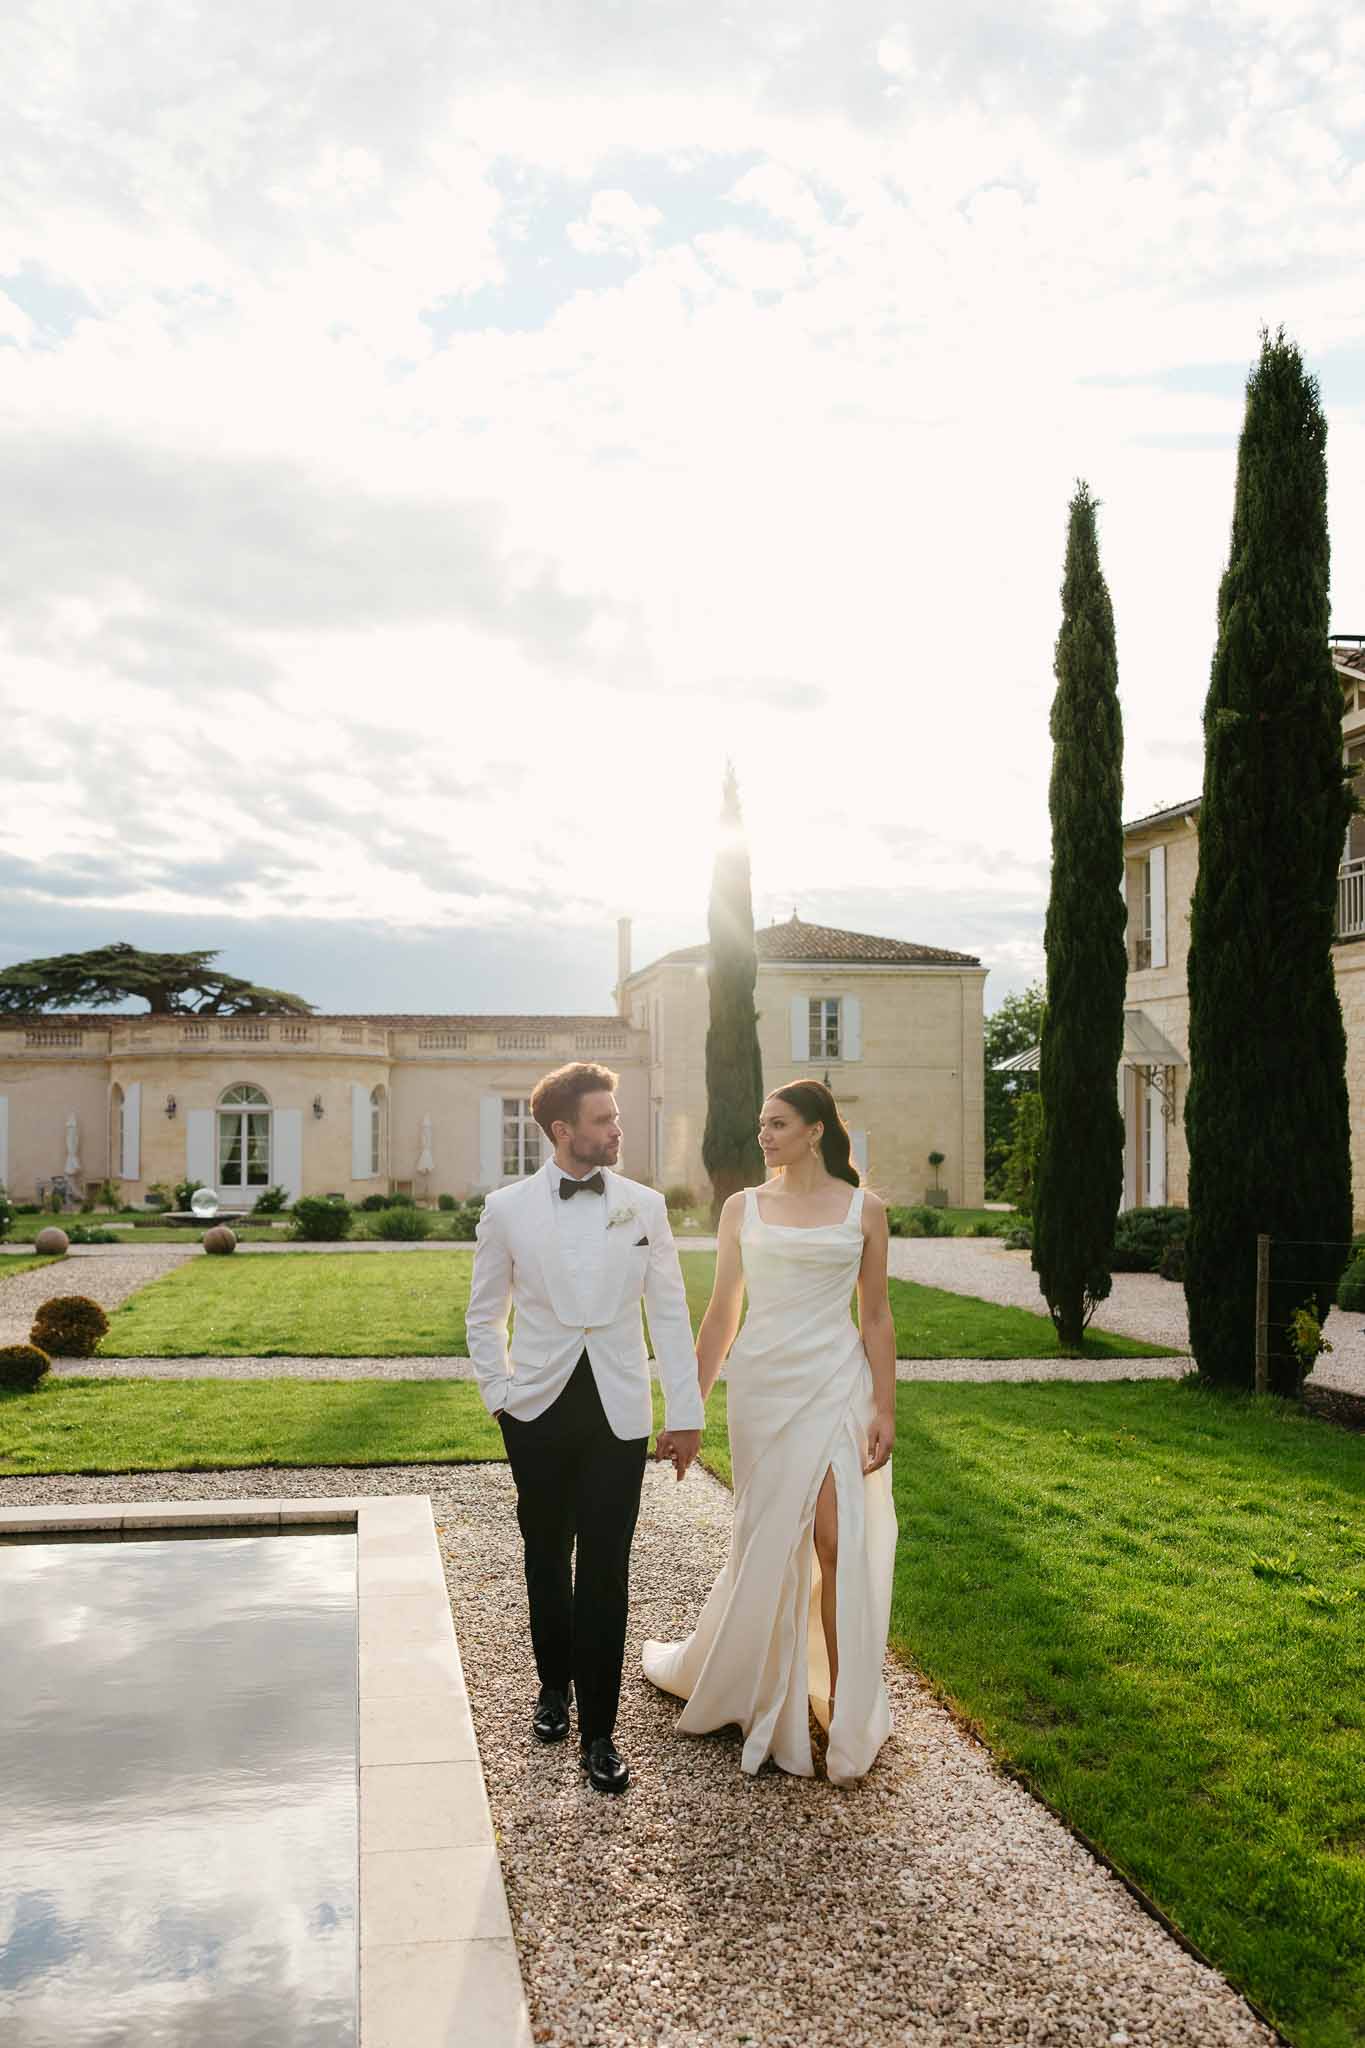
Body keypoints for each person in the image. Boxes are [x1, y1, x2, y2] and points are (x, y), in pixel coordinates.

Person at [642, 1079, 897, 1784]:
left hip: (836, 1381)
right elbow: (722, 1312)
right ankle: (753, 1683)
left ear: (815, 1130)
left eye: (777, 1123)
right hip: (762, 1387)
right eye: (762, 1124)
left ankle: (846, 1708)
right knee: (767, 1537)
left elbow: (874, 1316)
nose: (763, 1135)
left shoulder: (864, 1211)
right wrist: (686, 1409)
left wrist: (885, 1406)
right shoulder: (741, 1208)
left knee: (834, 1539)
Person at [466, 1062, 703, 1795]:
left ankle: (601, 1732)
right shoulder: (506, 1209)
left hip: (618, 1411)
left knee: (606, 1567)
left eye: (616, 1117)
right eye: (603, 1120)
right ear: (563, 1131)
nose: (616, 1129)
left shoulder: (644, 1206)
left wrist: (685, 1413)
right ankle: (552, 1689)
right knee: (545, 1552)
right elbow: (483, 1312)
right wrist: (499, 1396)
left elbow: (668, 1311)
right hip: (534, 1407)